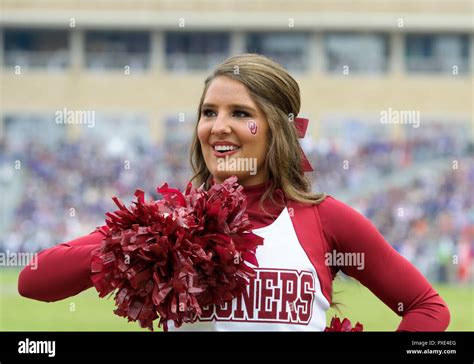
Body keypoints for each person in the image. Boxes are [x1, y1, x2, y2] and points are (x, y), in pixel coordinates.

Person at [18, 53, 450, 331]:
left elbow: (427, 308)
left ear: (276, 130)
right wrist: (146, 239)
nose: (217, 126)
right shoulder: (166, 219)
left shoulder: (324, 219)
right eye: (209, 112)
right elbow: (35, 279)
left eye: (239, 113)